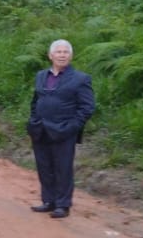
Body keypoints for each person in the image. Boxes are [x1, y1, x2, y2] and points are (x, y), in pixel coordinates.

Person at [27, 39, 96, 219]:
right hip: (40, 129)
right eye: (58, 52)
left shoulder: (81, 79)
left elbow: (87, 107)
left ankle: (63, 205)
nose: (62, 55)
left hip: (64, 131)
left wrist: (72, 127)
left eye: (66, 52)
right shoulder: (41, 75)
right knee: (44, 166)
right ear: (51, 55)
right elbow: (35, 101)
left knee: (63, 168)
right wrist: (34, 120)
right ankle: (48, 201)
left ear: (70, 56)